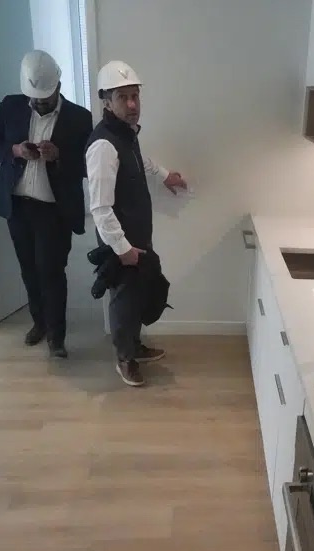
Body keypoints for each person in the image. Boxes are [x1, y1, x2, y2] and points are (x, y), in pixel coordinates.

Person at [0, 50, 93, 358]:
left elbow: (88, 166)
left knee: (52, 271)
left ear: (58, 85)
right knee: (29, 270)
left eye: (44, 98)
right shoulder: (10, 106)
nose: (39, 103)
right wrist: (15, 150)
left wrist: (59, 156)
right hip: (17, 207)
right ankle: (39, 323)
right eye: (34, 98)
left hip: (54, 210)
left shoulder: (80, 118)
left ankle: (57, 337)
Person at [85, 60, 189, 387]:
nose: (132, 105)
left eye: (135, 96)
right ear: (106, 101)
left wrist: (164, 175)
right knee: (124, 300)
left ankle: (134, 345)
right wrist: (122, 248)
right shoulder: (103, 145)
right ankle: (124, 358)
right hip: (123, 243)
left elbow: (139, 161)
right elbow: (100, 208)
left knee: (141, 294)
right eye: (122, 97)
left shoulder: (126, 136)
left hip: (138, 237)